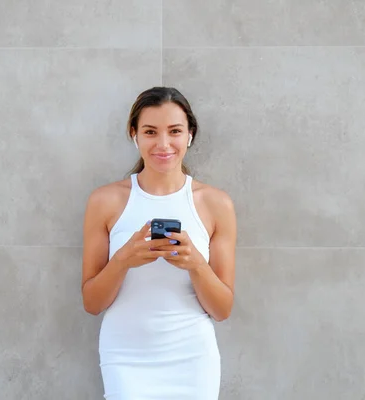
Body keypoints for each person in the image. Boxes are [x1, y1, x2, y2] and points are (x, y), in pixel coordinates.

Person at [81, 87, 236, 399]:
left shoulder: (216, 204)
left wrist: (195, 264)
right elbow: (92, 303)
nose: (163, 144)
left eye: (175, 131)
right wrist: (124, 259)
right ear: (134, 134)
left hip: (193, 358)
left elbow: (222, 309)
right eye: (150, 132)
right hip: (125, 355)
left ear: (190, 135)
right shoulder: (106, 201)